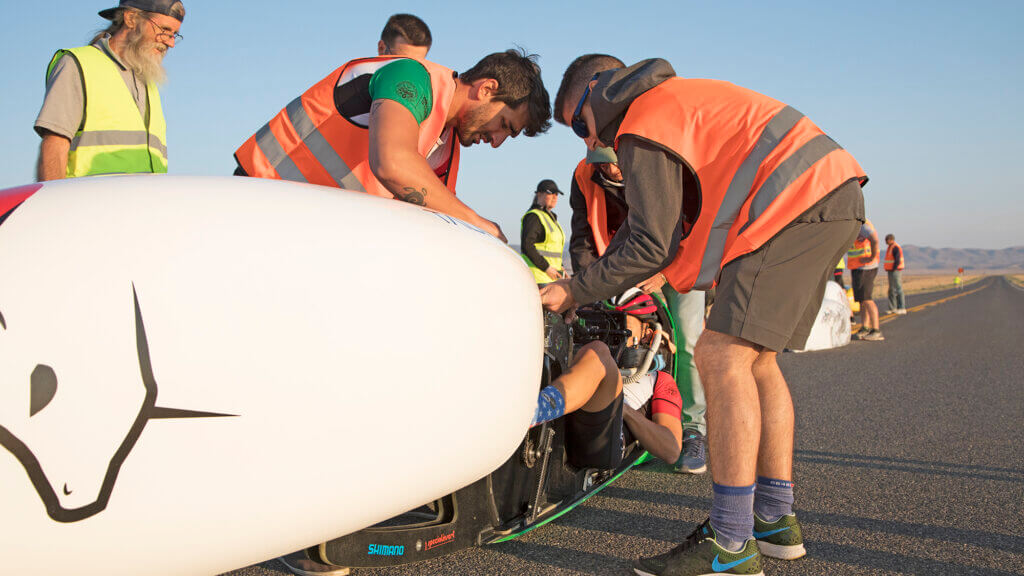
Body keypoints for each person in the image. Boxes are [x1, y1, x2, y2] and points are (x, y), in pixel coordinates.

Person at [546, 55, 867, 575]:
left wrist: (574, 291)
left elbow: (652, 242)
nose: (585, 141)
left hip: (792, 204)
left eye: (576, 123)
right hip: (827, 191)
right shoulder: (672, 104)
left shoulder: (639, 119)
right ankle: (773, 519)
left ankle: (731, 542)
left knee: (719, 355)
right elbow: (658, 231)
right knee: (757, 361)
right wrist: (591, 284)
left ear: (594, 94)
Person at [234, 49, 552, 243]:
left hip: (308, 230)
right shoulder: (411, 77)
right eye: (505, 126)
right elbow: (393, 163)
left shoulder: (447, 145)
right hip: (259, 206)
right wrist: (478, 222)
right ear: (486, 89)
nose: (496, 142)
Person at [569, 142, 708, 474]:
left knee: (688, 338)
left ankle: (692, 427)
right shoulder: (584, 175)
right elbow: (582, 238)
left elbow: (696, 227)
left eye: (617, 165)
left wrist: (664, 272)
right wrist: (583, 291)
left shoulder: (662, 164)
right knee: (604, 329)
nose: (613, 172)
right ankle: (615, 403)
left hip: (678, 260)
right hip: (621, 262)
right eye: (604, 166)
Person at [35, 0, 184, 181]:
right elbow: (55, 146)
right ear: (131, 19)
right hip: (88, 204)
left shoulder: (149, 82)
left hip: (143, 206)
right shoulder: (78, 64)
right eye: (164, 30)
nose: (170, 42)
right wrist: (54, 206)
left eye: (174, 34)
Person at [521, 179, 566, 284]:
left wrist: (561, 267)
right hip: (539, 277)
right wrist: (546, 268)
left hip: (552, 277)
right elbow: (527, 246)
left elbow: (554, 250)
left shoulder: (551, 218)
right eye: (551, 193)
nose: (555, 197)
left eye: (556, 194)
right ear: (539, 194)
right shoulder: (534, 217)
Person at [848, 219, 884, 340]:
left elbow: (875, 240)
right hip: (857, 267)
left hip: (866, 268)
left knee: (867, 299)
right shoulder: (853, 224)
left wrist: (871, 258)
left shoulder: (862, 224)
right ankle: (865, 328)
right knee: (862, 300)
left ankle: (876, 330)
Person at [884, 233, 907, 314]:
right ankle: (892, 308)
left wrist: (894, 269)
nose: (885, 242)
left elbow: (897, 260)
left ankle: (901, 307)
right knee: (891, 289)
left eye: (886, 240)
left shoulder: (895, 247)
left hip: (895, 271)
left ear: (890, 240)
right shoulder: (890, 247)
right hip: (890, 270)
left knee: (898, 288)